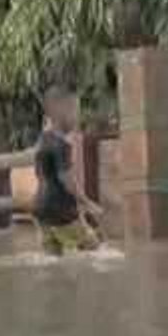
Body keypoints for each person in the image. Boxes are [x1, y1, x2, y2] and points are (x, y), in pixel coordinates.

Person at [33, 86, 103, 256]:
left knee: (52, 259)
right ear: (59, 112)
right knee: (94, 250)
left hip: (40, 209)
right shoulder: (62, 145)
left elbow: (38, 172)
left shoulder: (42, 140)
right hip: (61, 209)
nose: (77, 118)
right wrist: (87, 202)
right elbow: (66, 178)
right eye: (75, 111)